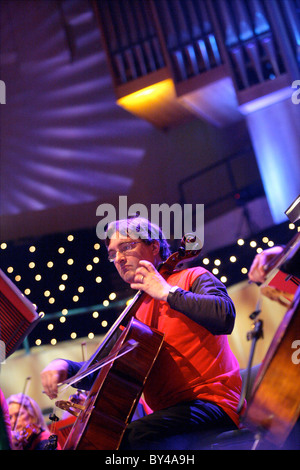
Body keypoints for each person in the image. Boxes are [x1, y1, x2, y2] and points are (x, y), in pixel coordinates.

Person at [41, 217, 243, 450]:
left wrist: (167, 292)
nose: (119, 258)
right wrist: (63, 366)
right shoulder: (133, 315)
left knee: (130, 439)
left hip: (212, 404)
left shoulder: (191, 277)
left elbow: (224, 317)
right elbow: (102, 372)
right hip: (168, 415)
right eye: (113, 253)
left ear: (154, 247)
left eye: (127, 247)